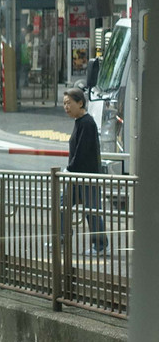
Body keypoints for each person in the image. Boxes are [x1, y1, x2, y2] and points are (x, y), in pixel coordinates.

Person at [62, 88, 108, 254]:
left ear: (80, 103)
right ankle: (62, 238)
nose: (66, 107)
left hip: (87, 177)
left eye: (69, 103)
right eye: (64, 103)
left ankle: (100, 245)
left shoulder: (87, 123)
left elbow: (81, 152)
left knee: (92, 210)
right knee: (62, 206)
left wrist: (69, 169)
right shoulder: (80, 122)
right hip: (77, 177)